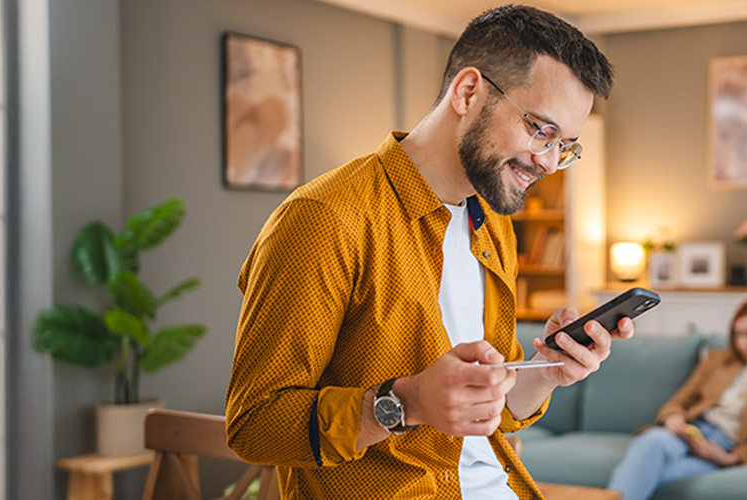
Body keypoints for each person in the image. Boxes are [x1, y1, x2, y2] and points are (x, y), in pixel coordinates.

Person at [225, 5, 624, 499]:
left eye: (565, 145)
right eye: (541, 130)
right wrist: (403, 404)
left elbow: (489, 410)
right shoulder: (325, 218)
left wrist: (545, 374)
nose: (548, 163)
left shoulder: (494, 225)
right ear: (468, 91)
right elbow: (253, 426)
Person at [605, 294, 747, 500]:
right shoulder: (718, 360)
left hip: (721, 447)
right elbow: (680, 401)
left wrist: (729, 458)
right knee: (652, 441)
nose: (741, 343)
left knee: (653, 474)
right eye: (737, 335)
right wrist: (674, 417)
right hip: (690, 432)